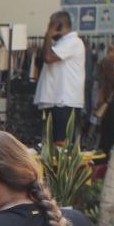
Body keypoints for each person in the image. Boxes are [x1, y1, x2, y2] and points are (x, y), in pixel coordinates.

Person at [35, 11, 85, 141]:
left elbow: (48, 57)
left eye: (51, 25)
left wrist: (48, 35)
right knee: (53, 146)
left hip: (65, 102)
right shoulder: (61, 43)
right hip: (57, 102)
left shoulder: (73, 42)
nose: (49, 28)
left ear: (58, 25)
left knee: (62, 146)